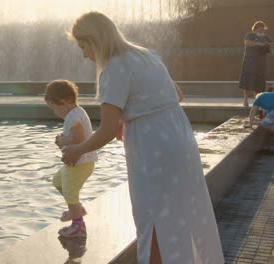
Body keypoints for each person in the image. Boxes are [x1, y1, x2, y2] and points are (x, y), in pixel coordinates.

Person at [61, 12, 224, 263]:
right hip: (179, 135)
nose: (84, 54)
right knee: (182, 212)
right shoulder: (146, 55)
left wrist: (77, 150)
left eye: (83, 46)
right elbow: (176, 95)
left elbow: (105, 131)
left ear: (95, 40)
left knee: (153, 216)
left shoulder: (113, 68)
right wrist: (129, 117)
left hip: (152, 148)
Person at [44, 79, 98, 238]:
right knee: (58, 182)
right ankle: (77, 209)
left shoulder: (72, 117)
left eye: (54, 107)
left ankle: (78, 225)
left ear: (66, 101)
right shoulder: (77, 112)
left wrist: (62, 141)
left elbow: (79, 138)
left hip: (80, 163)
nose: (54, 112)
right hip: (80, 163)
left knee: (69, 191)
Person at [239, 21, 274, 107]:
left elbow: (272, 43)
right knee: (246, 81)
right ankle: (245, 101)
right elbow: (247, 43)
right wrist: (260, 44)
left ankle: (257, 102)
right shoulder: (250, 35)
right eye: (260, 29)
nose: (262, 31)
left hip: (261, 63)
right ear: (256, 28)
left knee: (259, 83)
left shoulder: (265, 36)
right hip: (250, 61)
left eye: (263, 29)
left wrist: (268, 44)